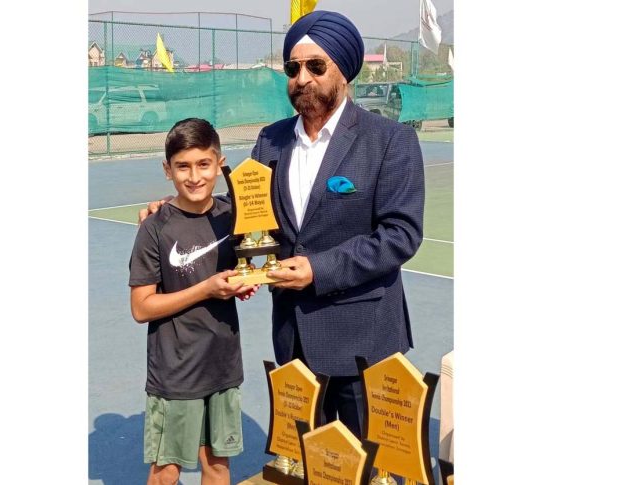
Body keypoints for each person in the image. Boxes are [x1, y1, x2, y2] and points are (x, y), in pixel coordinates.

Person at [140, 11, 424, 440]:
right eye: (292, 68)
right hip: (293, 339)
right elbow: (250, 211)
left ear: (343, 70)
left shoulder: (388, 140)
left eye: (316, 66)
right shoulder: (271, 140)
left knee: (367, 466)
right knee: (308, 461)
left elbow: (400, 234)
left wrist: (318, 269)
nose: (302, 78)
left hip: (364, 341)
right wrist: (178, 206)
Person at [129, 118, 257, 485]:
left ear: (219, 163)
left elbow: (241, 269)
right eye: (183, 166)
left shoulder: (235, 216)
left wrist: (242, 284)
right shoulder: (155, 227)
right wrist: (207, 289)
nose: (194, 176)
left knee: (217, 466)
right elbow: (141, 307)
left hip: (222, 365)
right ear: (167, 170)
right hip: (176, 371)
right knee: (166, 471)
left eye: (204, 164)